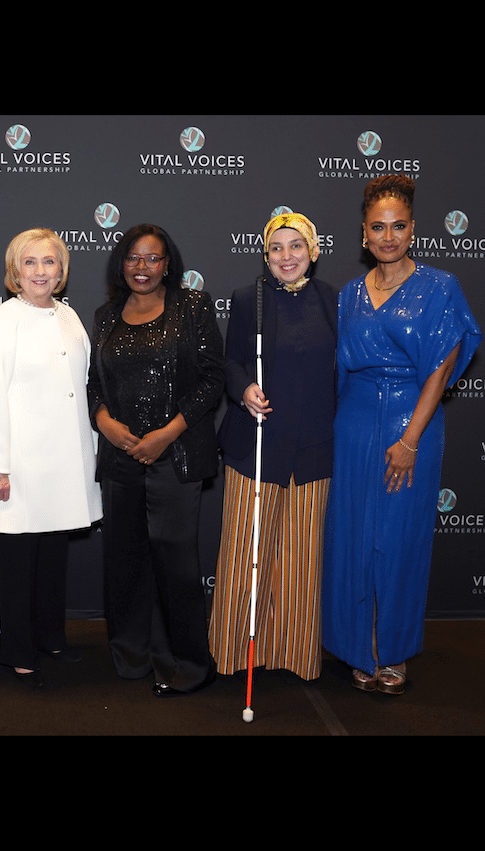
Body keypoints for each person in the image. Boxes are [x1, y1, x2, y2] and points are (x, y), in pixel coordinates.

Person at [322, 175, 481, 695]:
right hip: (353, 423)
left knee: (397, 540)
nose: (387, 236)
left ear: (412, 229)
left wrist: (410, 439)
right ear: (363, 235)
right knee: (349, 536)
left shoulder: (440, 286)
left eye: (397, 226)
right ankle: (353, 647)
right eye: (377, 227)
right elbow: (336, 372)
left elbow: (441, 366)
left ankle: (390, 651)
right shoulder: (348, 295)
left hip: (411, 424)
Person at [87, 223, 223, 697]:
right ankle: (131, 656)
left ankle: (185, 663)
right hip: (121, 457)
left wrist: (165, 436)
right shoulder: (105, 316)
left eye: (153, 258)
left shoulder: (193, 306)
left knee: (176, 563)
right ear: (120, 263)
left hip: (175, 455)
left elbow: (211, 380)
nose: (141, 268)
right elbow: (93, 385)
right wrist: (103, 420)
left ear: (168, 264)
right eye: (132, 258)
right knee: (124, 561)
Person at [208, 212, 338, 684]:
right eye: (277, 248)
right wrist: (244, 390)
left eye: (296, 246)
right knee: (247, 554)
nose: (287, 256)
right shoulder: (250, 299)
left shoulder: (333, 300)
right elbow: (232, 361)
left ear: (314, 251)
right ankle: (235, 653)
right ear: (266, 255)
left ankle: (293, 653)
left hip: (313, 450)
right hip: (257, 446)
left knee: (301, 560)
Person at [0, 228, 102, 688]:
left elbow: (83, 389)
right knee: (19, 561)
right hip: (21, 464)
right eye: (30, 263)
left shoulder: (69, 316)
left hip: (67, 460)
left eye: (49, 262)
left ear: (61, 270)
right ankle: (17, 648)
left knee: (53, 559)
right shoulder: (3, 320)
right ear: (15, 271)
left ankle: (52, 638)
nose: (40, 272)